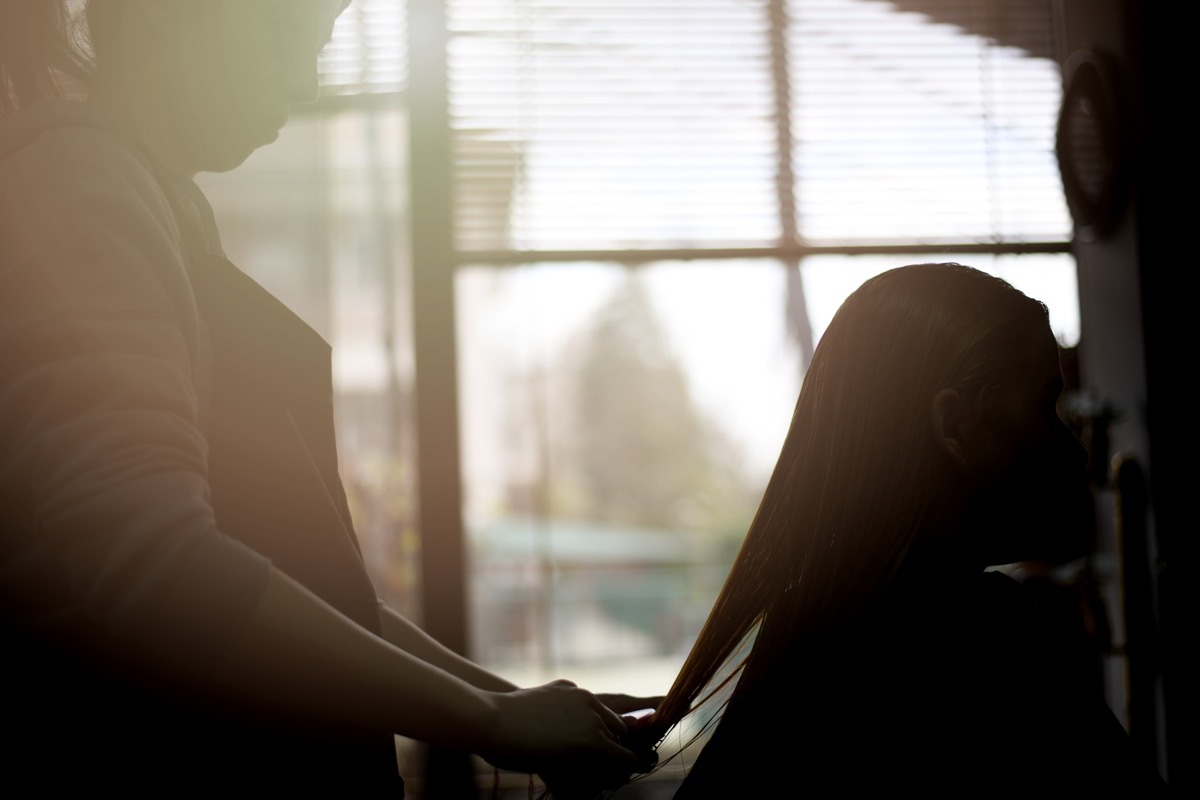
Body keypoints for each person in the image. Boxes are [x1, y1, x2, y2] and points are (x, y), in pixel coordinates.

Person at [0, 2, 654, 795]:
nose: (303, 81)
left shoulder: (154, 196)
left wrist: (510, 703)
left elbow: (291, 584)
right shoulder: (79, 188)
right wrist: (487, 722)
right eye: (286, 37)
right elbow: (159, 563)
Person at [631, 263, 1168, 795]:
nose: (1075, 449)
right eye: (1046, 407)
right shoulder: (987, 638)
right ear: (953, 426)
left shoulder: (809, 629)